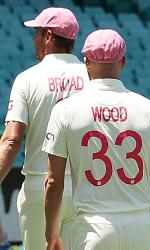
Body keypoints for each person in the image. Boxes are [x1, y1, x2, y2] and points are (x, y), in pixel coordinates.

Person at [43, 29, 150, 250]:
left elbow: (54, 183)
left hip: (93, 227)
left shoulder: (65, 110)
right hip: (140, 226)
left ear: (86, 62)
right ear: (123, 61)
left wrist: (51, 235)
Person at [0, 7, 88, 250]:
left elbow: (11, 140)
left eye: (36, 33)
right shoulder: (92, 77)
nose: (33, 39)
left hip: (42, 185)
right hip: (89, 189)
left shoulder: (27, 79)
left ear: (48, 36)